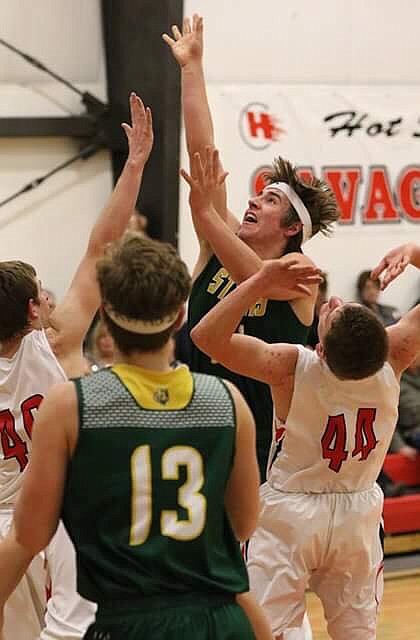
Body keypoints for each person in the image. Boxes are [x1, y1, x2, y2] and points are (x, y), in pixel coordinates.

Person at [0, 233, 274, 640]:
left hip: (126, 619)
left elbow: (29, 535)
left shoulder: (73, 406)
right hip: (216, 618)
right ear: (180, 317)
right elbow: (245, 522)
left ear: (105, 318)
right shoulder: (226, 402)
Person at [191, 182, 420, 640]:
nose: (331, 301)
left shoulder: (293, 366)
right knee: (357, 633)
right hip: (357, 511)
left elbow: (205, 337)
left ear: (319, 346)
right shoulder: (395, 354)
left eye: (333, 310)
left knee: (265, 633)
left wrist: (257, 281)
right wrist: (414, 250)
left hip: (290, 514)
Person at [0, 92, 153, 640]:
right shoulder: (57, 339)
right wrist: (133, 166)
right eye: (39, 292)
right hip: (61, 518)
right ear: (31, 310)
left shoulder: (50, 335)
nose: (48, 295)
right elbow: (100, 247)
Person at [163, 16, 339, 483]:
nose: (252, 201)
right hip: (193, 424)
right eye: (257, 194)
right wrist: (192, 69)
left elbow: (257, 277)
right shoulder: (218, 244)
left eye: (270, 199)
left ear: (291, 228)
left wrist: (204, 215)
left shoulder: (302, 272)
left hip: (264, 444)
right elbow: (205, 153)